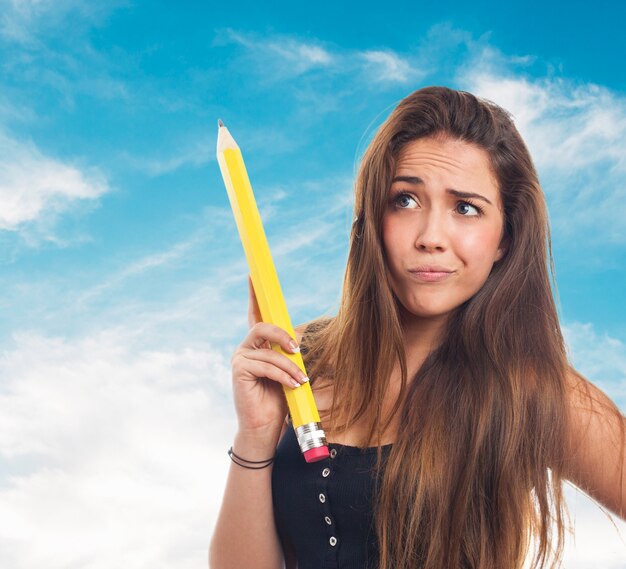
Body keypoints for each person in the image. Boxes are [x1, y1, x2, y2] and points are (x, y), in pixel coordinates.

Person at [209, 86, 626, 569]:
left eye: (465, 208)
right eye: (404, 200)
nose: (430, 237)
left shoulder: (535, 390)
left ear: (505, 239)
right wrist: (255, 436)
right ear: (372, 218)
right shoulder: (302, 355)